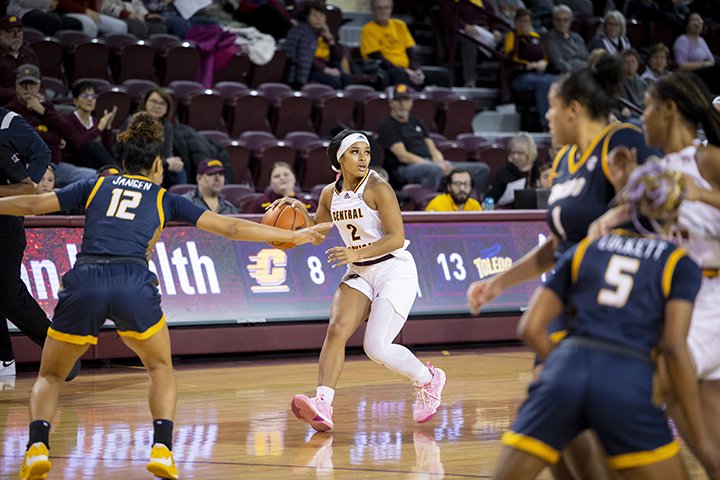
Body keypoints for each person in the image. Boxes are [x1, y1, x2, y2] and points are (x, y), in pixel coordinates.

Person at [11, 112, 330, 480]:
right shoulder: (164, 197)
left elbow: (34, 204)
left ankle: (37, 447)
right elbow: (229, 226)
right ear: (158, 164)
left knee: (50, 375)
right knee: (160, 368)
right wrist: (292, 237)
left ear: (123, 160)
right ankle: (162, 449)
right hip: (133, 281)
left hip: (86, 279)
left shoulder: (96, 186)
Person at [467, 54, 659, 480]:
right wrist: (499, 282)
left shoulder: (622, 141)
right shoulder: (565, 162)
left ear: (574, 108)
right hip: (568, 296)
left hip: (612, 304)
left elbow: (654, 210)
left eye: (552, 108)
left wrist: (620, 210)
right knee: (563, 433)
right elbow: (558, 244)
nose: (547, 117)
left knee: (557, 414)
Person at [493, 162, 718, 480]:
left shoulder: (587, 247)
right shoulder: (677, 263)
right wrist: (704, 442)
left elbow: (529, 328)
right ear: (676, 211)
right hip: (626, 377)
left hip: (564, 369)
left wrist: (567, 369)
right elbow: (673, 346)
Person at [588, 71, 720, 477]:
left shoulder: (710, 158)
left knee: (623, 399)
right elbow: (626, 220)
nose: (641, 116)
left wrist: (698, 192)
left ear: (669, 109)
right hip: (675, 305)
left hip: (711, 301)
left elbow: (697, 199)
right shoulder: (657, 170)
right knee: (711, 450)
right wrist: (618, 197)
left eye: (646, 106)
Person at [288, 129, 447, 432]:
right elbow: (317, 234)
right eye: (355, 152)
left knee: (376, 348)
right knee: (336, 331)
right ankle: (323, 402)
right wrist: (296, 213)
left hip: (393, 270)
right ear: (340, 159)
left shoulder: (378, 188)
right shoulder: (328, 194)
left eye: (366, 152)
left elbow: (397, 238)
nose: (363, 158)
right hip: (360, 270)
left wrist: (353, 251)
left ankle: (429, 379)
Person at [0, 108, 80, 382]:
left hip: (6, 219)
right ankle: (3, 359)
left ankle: (61, 353)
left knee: (8, 293)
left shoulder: (7, 122)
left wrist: (30, 190)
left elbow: (41, 156)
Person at [377, 83, 490, 192]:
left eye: (406, 100)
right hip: (406, 167)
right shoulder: (387, 125)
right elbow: (403, 156)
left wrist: (442, 164)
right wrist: (435, 166)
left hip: (431, 163)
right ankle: (430, 204)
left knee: (481, 169)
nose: (402, 104)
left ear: (411, 102)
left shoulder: (418, 122)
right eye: (398, 100)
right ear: (391, 103)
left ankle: (469, 203)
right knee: (433, 170)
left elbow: (433, 149)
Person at [5, 64, 97, 187]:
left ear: (38, 86)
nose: (28, 88)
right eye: (23, 84)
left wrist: (43, 111)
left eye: (31, 84)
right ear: (16, 86)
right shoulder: (11, 111)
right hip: (29, 166)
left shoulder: (45, 106)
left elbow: (68, 131)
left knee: (93, 176)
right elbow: (30, 139)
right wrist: (57, 139)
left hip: (56, 165)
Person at [360, 0, 448, 87]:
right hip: (388, 69)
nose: (383, 11)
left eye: (386, 8)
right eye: (379, 8)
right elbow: (376, 56)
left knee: (442, 74)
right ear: (373, 10)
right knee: (399, 73)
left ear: (391, 9)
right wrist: (405, 71)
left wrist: (417, 70)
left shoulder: (400, 25)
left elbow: (411, 52)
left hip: (408, 69)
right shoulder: (368, 29)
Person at [503, 9, 555, 129]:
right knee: (543, 83)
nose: (523, 24)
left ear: (531, 23)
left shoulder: (536, 37)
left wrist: (544, 63)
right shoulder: (512, 36)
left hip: (539, 73)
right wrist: (528, 65)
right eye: (520, 21)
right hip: (520, 76)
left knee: (558, 81)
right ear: (516, 22)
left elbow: (545, 56)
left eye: (526, 21)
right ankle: (546, 124)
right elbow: (509, 58)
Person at [282, 0, 351, 90]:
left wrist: (329, 37)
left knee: (347, 79)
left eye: (321, 15)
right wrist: (325, 70)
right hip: (308, 69)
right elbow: (304, 57)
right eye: (314, 15)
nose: (318, 19)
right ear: (308, 16)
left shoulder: (325, 33)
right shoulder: (300, 31)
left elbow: (339, 57)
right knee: (334, 81)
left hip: (325, 67)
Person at [439, 0, 504, 88]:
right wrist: (464, 26)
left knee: (507, 40)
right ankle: (470, 80)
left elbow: (494, 20)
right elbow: (447, 17)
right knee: (469, 41)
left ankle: (503, 85)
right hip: (459, 32)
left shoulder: (484, 2)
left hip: (484, 32)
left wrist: (496, 30)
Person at [133, 88, 187, 187]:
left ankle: (177, 200)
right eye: (153, 101)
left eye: (162, 104)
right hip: (137, 166)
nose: (157, 106)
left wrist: (174, 162)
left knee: (179, 171)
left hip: (158, 165)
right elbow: (137, 157)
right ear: (145, 103)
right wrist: (166, 163)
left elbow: (167, 153)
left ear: (167, 109)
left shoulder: (166, 126)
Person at [60, 80, 117, 170]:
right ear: (75, 101)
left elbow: (107, 151)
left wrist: (107, 128)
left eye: (93, 96)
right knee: (91, 144)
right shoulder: (68, 120)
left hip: (96, 165)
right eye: (85, 96)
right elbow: (78, 144)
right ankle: (120, 174)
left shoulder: (96, 121)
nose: (90, 99)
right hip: (76, 165)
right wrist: (98, 129)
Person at [488, 131, 538, 206]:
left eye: (520, 153)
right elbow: (491, 197)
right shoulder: (504, 171)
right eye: (513, 152)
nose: (515, 156)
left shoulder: (539, 169)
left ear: (529, 153)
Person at [673, 13, 719, 93]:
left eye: (699, 21)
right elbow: (681, 65)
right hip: (690, 75)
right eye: (693, 20)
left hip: (706, 72)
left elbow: (711, 60)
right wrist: (703, 64)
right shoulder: (682, 40)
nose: (696, 23)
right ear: (686, 25)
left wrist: (708, 64)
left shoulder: (701, 40)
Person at [0, 15, 39, 104]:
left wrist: (41, 95)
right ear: (1, 34)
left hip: (32, 102)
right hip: (6, 105)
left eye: (19, 31)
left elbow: (40, 80)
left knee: (66, 111)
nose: (16, 36)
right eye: (11, 32)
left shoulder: (29, 53)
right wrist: (18, 94)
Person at [250, 161, 314, 213]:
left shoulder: (306, 203)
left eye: (286, 175)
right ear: (270, 183)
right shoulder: (260, 203)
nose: (282, 178)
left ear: (294, 178)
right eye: (277, 176)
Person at [543, 4, 589, 74]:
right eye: (558, 20)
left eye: (565, 20)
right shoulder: (550, 38)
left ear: (570, 22)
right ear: (553, 21)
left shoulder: (577, 37)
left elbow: (586, 57)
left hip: (585, 71)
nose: (562, 23)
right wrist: (578, 72)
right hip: (568, 74)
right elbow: (558, 62)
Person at [7, 0, 82, 35]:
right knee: (53, 21)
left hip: (45, 12)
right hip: (22, 12)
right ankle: (48, 52)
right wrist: (48, 3)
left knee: (75, 23)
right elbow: (25, 2)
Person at [56, 0, 128, 36]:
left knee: (121, 26)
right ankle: (89, 57)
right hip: (67, 12)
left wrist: (93, 12)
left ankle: (110, 61)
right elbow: (61, 2)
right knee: (89, 24)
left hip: (88, 13)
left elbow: (93, 6)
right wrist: (85, 11)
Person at [614, 48, 646, 122]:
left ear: (638, 63)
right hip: (625, 118)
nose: (630, 65)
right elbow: (613, 106)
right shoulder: (616, 83)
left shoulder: (643, 83)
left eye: (633, 61)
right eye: (626, 62)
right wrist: (621, 110)